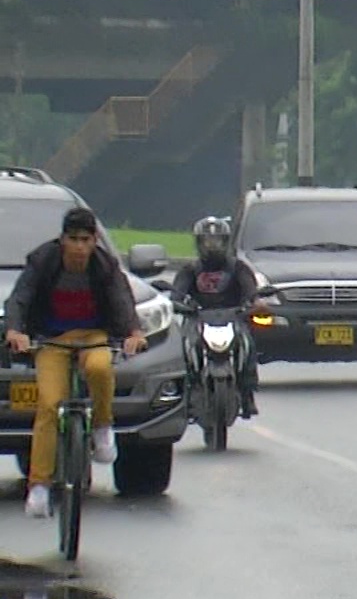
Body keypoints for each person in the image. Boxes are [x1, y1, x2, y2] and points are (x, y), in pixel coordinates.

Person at [3, 207, 147, 519]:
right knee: (49, 405)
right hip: (51, 340)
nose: (80, 247)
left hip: (93, 337)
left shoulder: (104, 265)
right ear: (62, 240)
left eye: (86, 240)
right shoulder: (43, 261)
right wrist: (16, 331)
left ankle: (102, 426)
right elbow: (20, 298)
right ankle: (39, 486)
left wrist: (133, 333)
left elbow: (121, 300)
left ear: (95, 240)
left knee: (99, 368)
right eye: (73, 240)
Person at [169, 216, 268, 419]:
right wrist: (175, 303)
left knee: (247, 344)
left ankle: (247, 391)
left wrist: (256, 301)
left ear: (226, 242)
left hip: (232, 316)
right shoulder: (191, 270)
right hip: (198, 317)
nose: (212, 246)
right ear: (199, 243)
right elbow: (176, 293)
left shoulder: (238, 268)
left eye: (217, 241)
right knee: (182, 347)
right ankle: (185, 392)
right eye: (207, 241)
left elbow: (250, 289)